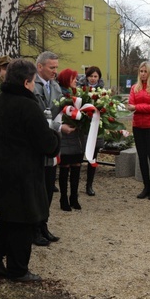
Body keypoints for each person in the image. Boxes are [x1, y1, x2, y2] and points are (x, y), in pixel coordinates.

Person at [0, 59, 60, 282]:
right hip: (20, 172)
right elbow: (46, 144)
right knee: (25, 219)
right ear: (27, 82)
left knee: (9, 214)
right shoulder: (27, 105)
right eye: (33, 80)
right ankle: (18, 269)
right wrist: (56, 136)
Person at [32, 51, 64, 246]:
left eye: (56, 67)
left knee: (48, 188)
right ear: (40, 67)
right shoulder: (31, 86)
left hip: (52, 144)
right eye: (51, 67)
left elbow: (58, 110)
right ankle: (34, 228)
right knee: (37, 189)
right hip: (38, 145)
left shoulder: (55, 85)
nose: (55, 71)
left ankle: (43, 224)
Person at [127, 62, 150, 200]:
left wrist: (136, 107)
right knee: (141, 156)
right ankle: (146, 185)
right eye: (141, 71)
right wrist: (137, 107)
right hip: (138, 126)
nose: (142, 73)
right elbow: (130, 104)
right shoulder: (135, 88)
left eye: (145, 71)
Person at [57, 68, 85, 211]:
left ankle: (74, 197)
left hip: (76, 135)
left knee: (76, 166)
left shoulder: (77, 94)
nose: (76, 81)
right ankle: (63, 198)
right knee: (65, 167)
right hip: (65, 134)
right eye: (73, 78)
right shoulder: (60, 94)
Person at [83, 66, 104, 196]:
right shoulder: (81, 89)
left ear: (99, 78)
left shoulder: (103, 91)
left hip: (96, 127)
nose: (93, 78)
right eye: (91, 76)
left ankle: (89, 185)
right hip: (83, 127)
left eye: (95, 76)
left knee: (93, 156)